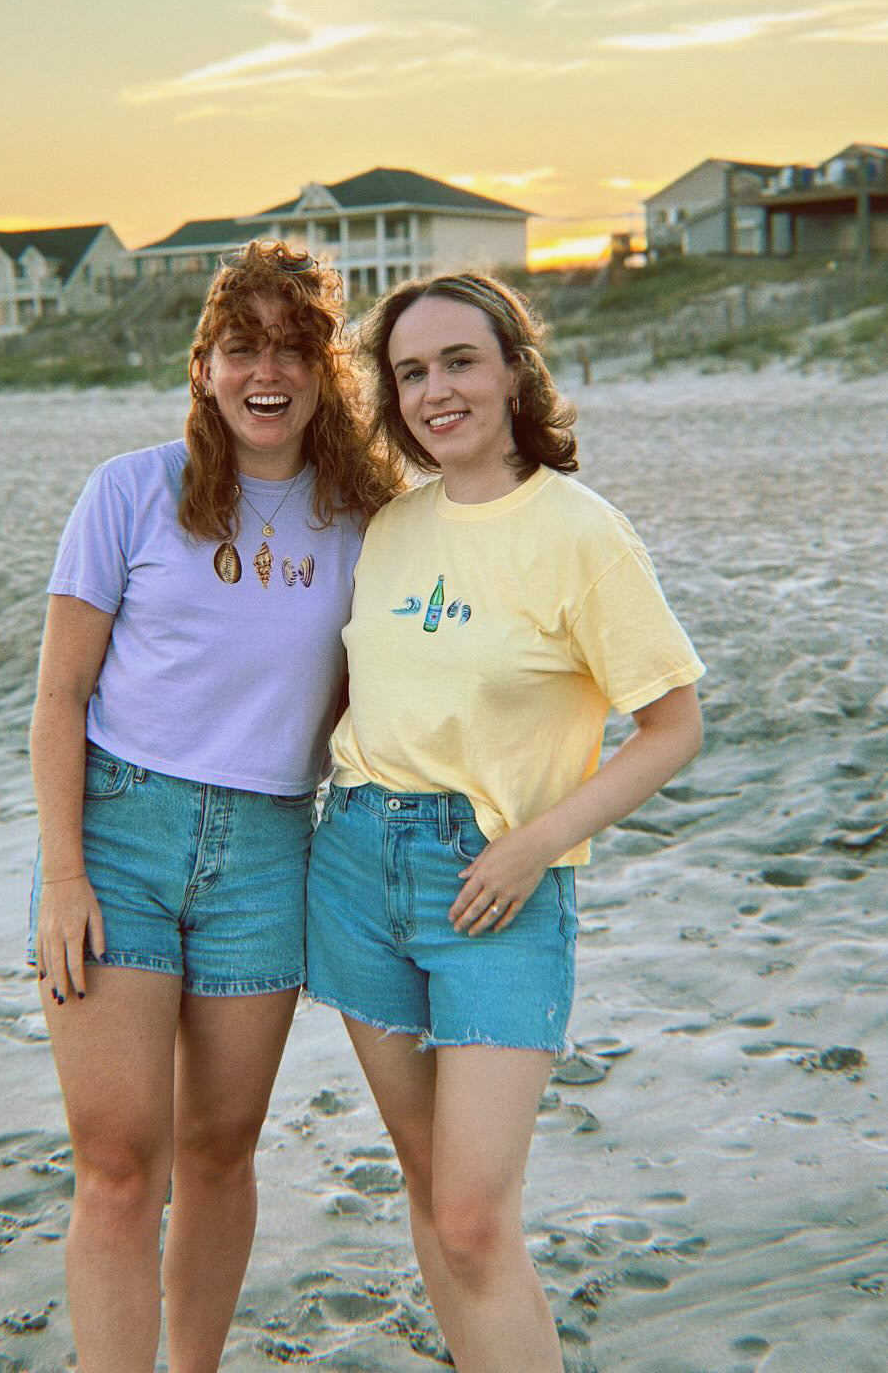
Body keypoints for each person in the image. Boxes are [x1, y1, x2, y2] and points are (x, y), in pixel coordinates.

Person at [306, 272, 705, 1373]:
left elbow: (673, 727)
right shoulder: (389, 527)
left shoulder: (583, 535)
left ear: (516, 371)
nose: (438, 391)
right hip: (353, 867)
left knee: (476, 1214)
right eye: (412, 373)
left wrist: (533, 844)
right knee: (435, 1193)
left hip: (497, 885)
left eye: (460, 362)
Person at [27, 239, 397, 1373]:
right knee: (123, 1162)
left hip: (269, 854)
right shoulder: (130, 490)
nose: (265, 371)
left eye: (293, 347)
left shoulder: (364, 518)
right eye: (242, 347)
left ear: (325, 367)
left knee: (222, 1148)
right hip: (118, 841)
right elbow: (59, 695)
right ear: (204, 367)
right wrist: (66, 880)